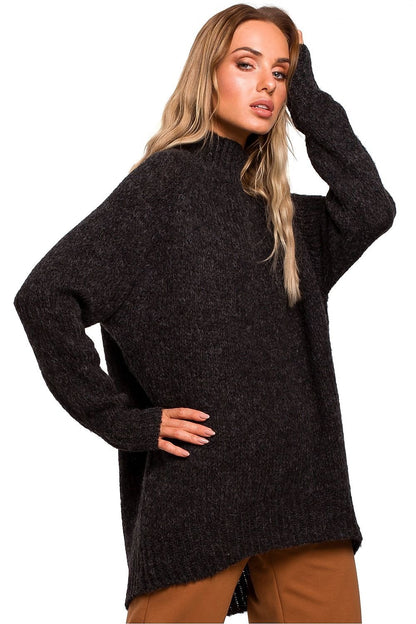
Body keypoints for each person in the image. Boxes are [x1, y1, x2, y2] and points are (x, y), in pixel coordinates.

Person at [13, 3, 396, 623]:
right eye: (247, 65)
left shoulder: (280, 214)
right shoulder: (164, 187)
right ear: (208, 72)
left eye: (280, 72)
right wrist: (122, 420)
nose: (267, 84)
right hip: (200, 493)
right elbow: (46, 297)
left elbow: (369, 207)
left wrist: (307, 94)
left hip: (304, 489)